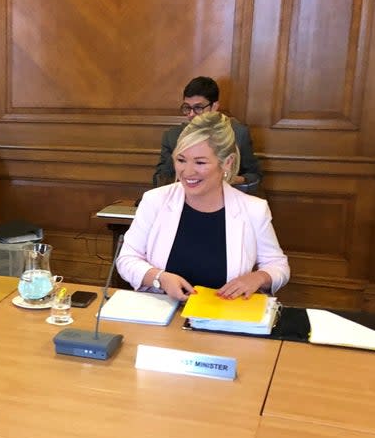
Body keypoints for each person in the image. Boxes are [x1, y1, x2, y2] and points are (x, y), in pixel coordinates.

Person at [118, 111, 289, 300]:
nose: (188, 172)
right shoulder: (155, 201)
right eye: (181, 160)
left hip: (222, 318)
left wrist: (258, 277)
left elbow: (278, 265)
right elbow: (127, 259)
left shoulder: (254, 209)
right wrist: (159, 278)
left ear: (227, 163)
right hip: (162, 313)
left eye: (200, 162)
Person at [152, 76, 262, 191]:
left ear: (214, 106)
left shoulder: (238, 134)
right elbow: (159, 179)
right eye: (187, 108)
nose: (191, 114)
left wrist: (229, 178)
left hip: (225, 197)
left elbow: (254, 177)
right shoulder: (172, 136)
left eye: (198, 108)